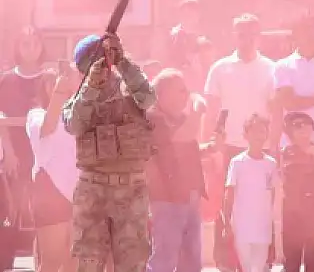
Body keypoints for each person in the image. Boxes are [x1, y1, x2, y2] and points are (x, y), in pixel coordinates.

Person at [62, 33, 157, 272]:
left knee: (132, 264)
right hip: (93, 191)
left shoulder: (131, 89)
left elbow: (148, 99)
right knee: (90, 263)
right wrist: (92, 86)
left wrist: (123, 62)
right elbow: (73, 124)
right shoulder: (80, 98)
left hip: (131, 190)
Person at [146, 70, 224, 272]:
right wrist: (197, 111)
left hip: (190, 195)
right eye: (180, 90)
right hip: (167, 197)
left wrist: (210, 147)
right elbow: (179, 139)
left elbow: (185, 148)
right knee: (165, 257)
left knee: (190, 260)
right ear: (162, 93)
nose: (186, 95)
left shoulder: (179, 117)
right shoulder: (152, 117)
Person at [27, 61, 81, 272]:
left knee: (74, 262)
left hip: (79, 192)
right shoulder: (36, 115)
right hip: (49, 191)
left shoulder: (79, 113)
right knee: (51, 261)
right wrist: (59, 92)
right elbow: (47, 128)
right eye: (51, 83)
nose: (61, 85)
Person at [0, 26, 53, 237]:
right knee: (12, 212)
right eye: (25, 44)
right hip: (15, 154)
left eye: (35, 44)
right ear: (17, 47)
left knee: (45, 215)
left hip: (45, 155)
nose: (31, 49)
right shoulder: (5, 80)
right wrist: (8, 153)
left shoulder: (51, 78)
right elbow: (1, 118)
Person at [204, 14, 276, 166]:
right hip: (228, 148)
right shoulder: (219, 69)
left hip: (262, 148)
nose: (247, 40)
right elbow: (211, 113)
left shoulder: (272, 69)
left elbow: (276, 113)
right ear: (234, 37)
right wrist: (212, 151)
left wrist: (274, 147)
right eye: (242, 35)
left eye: (252, 35)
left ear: (259, 38)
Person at [271, 12, 314, 150]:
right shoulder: (282, 65)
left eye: (312, 30)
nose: (309, 35)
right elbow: (289, 103)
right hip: (289, 142)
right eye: (304, 30)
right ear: (295, 35)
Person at [224, 114, 279, 272]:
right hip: (242, 226)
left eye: (262, 131)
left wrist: (271, 220)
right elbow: (229, 192)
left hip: (263, 227)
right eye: (254, 131)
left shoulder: (271, 164)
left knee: (259, 266)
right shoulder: (237, 163)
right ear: (245, 135)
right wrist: (227, 222)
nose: (258, 136)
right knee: (246, 267)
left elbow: (272, 194)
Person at [278, 112, 314, 272]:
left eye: (306, 127)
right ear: (291, 133)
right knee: (291, 261)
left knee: (313, 261)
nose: (303, 131)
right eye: (297, 127)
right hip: (292, 212)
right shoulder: (286, 153)